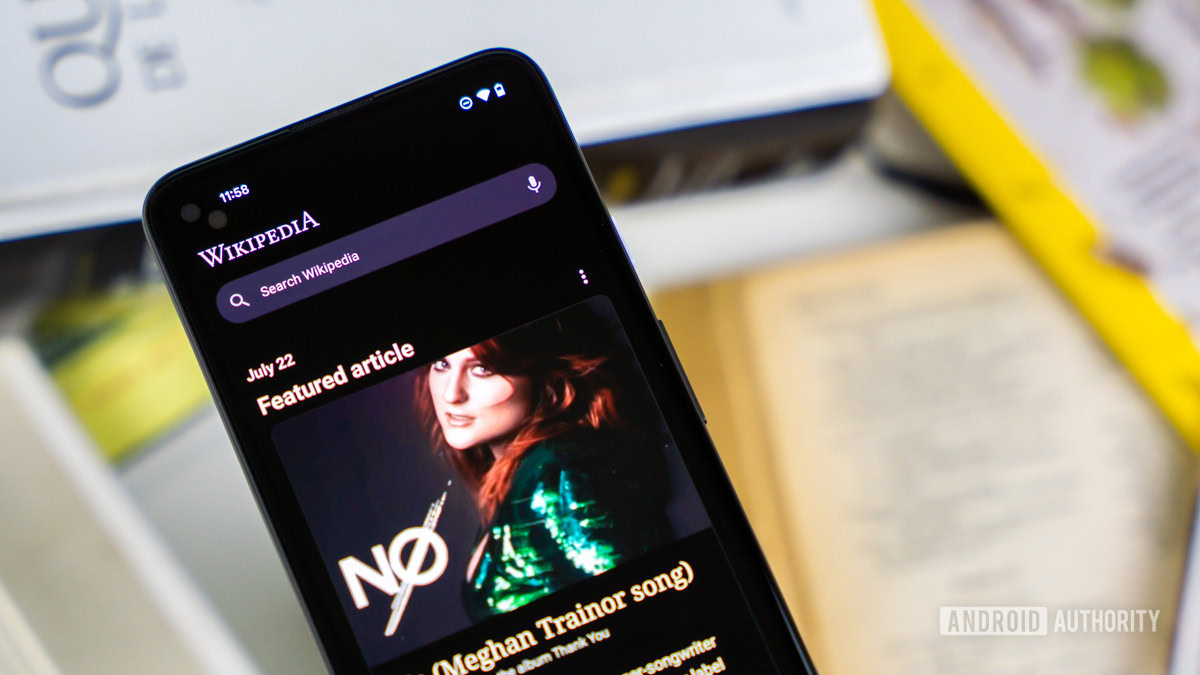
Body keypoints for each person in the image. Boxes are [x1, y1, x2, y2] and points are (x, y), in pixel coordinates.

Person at [413, 313, 673, 621]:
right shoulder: (526, 473)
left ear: (543, 377)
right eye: (441, 364)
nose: (451, 394)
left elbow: (641, 607)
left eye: (482, 369)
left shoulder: (557, 471)